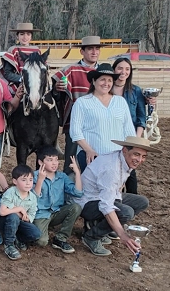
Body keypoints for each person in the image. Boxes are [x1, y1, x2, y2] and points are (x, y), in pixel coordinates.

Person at [75, 136, 161, 257]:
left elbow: (115, 191)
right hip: (87, 202)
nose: (140, 160)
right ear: (125, 150)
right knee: (126, 212)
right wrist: (123, 236)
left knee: (141, 202)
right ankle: (91, 237)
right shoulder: (111, 168)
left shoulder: (122, 159)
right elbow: (106, 206)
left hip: (102, 196)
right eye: (136, 154)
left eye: (143, 156)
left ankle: (97, 226)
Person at [69, 63, 135, 172]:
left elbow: (128, 130)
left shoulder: (120, 102)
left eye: (109, 80)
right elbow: (75, 132)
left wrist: (128, 153)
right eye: (102, 79)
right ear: (94, 81)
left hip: (117, 157)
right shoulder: (82, 103)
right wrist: (88, 150)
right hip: (91, 156)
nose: (106, 83)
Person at [52, 36, 103, 174]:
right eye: (90, 49)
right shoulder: (71, 70)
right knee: (71, 162)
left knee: (97, 160)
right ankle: (69, 190)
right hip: (75, 124)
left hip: (98, 125)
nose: (94, 52)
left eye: (97, 48)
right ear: (82, 51)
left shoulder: (104, 72)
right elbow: (56, 94)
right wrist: (57, 88)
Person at [31, 146, 83, 254]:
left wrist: (77, 172)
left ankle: (60, 238)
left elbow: (78, 193)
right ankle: (35, 228)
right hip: (40, 214)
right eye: (50, 160)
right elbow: (32, 199)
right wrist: (40, 180)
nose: (54, 163)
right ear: (41, 162)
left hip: (56, 212)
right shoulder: (34, 176)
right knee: (42, 242)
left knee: (75, 208)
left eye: (56, 160)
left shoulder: (62, 176)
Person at [112, 57, 150, 194]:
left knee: (130, 169)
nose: (124, 72)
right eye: (120, 68)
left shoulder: (136, 91)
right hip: (111, 135)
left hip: (130, 136)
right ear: (114, 70)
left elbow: (141, 116)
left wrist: (136, 138)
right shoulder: (106, 90)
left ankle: (132, 197)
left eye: (127, 69)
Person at [0, 165, 42, 260]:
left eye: (30, 180)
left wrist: (18, 210)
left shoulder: (32, 197)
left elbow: (29, 218)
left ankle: (17, 239)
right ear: (15, 181)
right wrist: (19, 209)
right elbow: (2, 212)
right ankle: (9, 245)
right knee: (13, 217)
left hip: (20, 222)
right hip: (6, 221)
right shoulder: (10, 192)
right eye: (24, 180)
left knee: (36, 233)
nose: (28, 183)